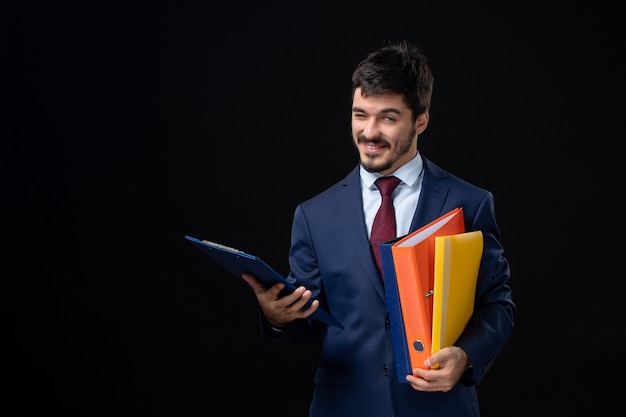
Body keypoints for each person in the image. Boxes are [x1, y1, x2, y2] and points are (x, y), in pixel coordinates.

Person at [241, 41, 515, 417]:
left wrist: (467, 356)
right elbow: (306, 320)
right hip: (343, 405)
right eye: (359, 115)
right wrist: (277, 317)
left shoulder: (469, 203)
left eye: (388, 118)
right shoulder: (313, 214)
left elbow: (497, 305)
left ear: (421, 120)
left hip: (439, 406)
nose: (369, 132)